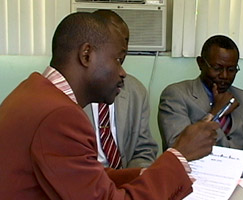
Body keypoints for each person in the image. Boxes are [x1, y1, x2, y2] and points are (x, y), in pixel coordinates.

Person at [0, 12, 218, 199]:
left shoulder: (34, 89)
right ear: (86, 55)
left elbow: (87, 177)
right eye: (117, 60)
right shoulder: (60, 116)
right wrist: (179, 156)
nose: (123, 72)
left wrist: (146, 174)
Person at [158, 35, 243, 151]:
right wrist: (216, 112)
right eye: (217, 68)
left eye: (231, 70)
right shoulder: (176, 95)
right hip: (194, 169)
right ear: (200, 63)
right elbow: (178, 149)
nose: (224, 76)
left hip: (241, 169)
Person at [83, 10, 158, 169]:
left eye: (125, 42)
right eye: (115, 43)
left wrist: (131, 181)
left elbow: (144, 151)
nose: (122, 49)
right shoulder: (71, 93)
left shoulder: (136, 91)